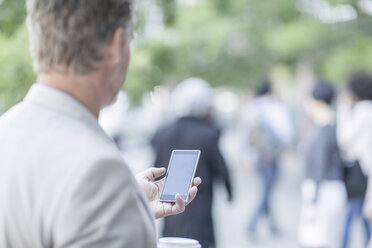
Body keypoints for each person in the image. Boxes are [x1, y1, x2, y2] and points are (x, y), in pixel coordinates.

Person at [0, 1, 201, 247]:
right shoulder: (99, 171)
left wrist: (129, 205)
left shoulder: (6, 130)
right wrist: (121, 204)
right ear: (117, 44)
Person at [151, 78, 233, 248]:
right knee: (200, 241)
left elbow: (156, 166)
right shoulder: (209, 133)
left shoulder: (163, 132)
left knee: (171, 241)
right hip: (199, 198)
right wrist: (229, 190)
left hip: (169, 198)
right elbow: (220, 165)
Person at [243, 80, 294, 239]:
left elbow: (246, 135)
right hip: (271, 156)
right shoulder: (275, 108)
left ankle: (273, 225)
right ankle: (251, 225)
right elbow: (286, 133)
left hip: (258, 156)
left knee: (267, 189)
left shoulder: (252, 108)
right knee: (267, 191)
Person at [299, 81, 345, 248]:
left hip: (323, 189)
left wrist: (313, 202)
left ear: (317, 101)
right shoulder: (332, 124)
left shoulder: (323, 129)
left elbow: (320, 165)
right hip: (329, 188)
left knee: (316, 239)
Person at [337, 72, 372, 248]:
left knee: (352, 212)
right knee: (365, 214)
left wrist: (343, 110)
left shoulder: (363, 110)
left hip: (360, 168)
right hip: (364, 168)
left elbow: (344, 138)